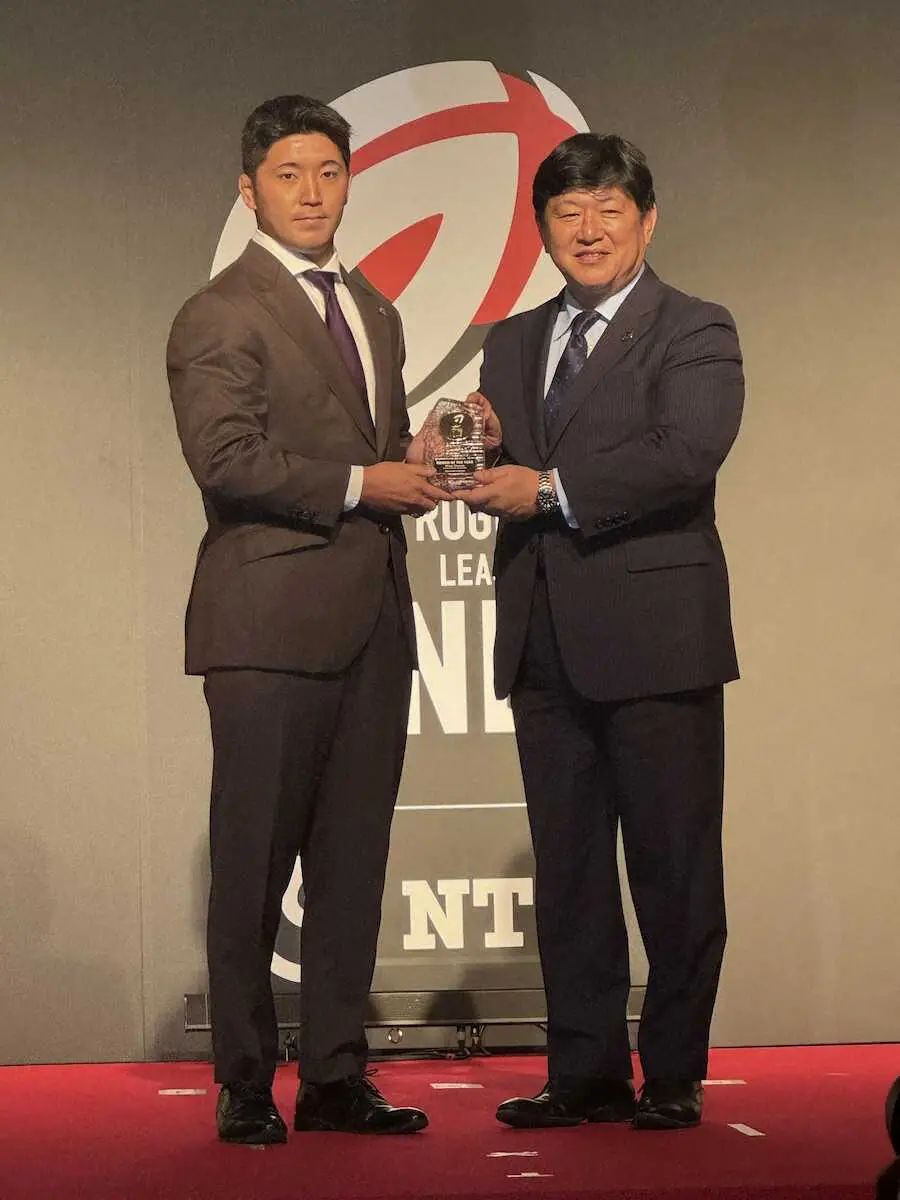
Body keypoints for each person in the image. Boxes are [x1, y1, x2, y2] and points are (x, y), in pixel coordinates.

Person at [167, 94, 452, 1144]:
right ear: (250, 191)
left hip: (372, 618)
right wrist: (365, 481)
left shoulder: (373, 306)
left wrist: (417, 457)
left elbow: (372, 452)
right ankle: (246, 1081)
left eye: (329, 172)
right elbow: (225, 459)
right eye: (289, 173)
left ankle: (335, 1076)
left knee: (352, 862)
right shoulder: (220, 311)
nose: (312, 192)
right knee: (254, 862)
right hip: (267, 622)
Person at [464, 133, 744, 1131]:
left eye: (608, 209)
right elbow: (492, 460)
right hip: (543, 638)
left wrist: (546, 489)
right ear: (542, 229)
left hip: (658, 639)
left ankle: (672, 1071)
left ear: (647, 220)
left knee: (674, 868)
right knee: (571, 871)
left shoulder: (695, 327)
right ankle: (583, 1069)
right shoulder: (510, 340)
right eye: (566, 213)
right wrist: (461, 449)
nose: (587, 230)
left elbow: (685, 453)